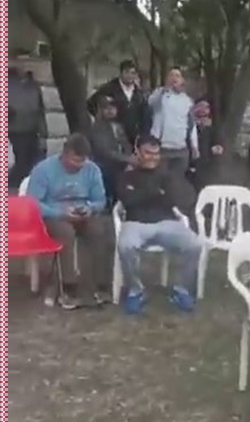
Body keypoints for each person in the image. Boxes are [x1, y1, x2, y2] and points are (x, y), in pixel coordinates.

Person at [116, 135, 203, 315]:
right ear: (137, 152)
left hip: (167, 222)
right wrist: (155, 192)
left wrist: (142, 194)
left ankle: (181, 289)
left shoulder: (167, 176)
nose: (153, 157)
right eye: (148, 153)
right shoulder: (126, 176)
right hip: (135, 223)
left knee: (195, 244)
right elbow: (128, 201)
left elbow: (174, 199)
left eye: (156, 154)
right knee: (125, 246)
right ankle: (136, 290)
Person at [27, 134, 108, 310]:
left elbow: (100, 200)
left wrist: (90, 208)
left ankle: (97, 283)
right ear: (64, 153)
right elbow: (32, 203)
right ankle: (68, 286)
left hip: (82, 211)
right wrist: (60, 213)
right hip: (53, 214)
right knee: (65, 233)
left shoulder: (92, 170)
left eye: (82, 161)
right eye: (74, 160)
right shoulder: (43, 169)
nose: (78, 165)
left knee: (99, 230)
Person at [87, 60, 150, 148]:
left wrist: (143, 134)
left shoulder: (139, 93)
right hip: (114, 136)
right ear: (121, 73)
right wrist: (103, 119)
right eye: (127, 72)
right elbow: (90, 104)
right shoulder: (109, 89)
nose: (130, 76)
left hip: (134, 138)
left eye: (133, 73)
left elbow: (145, 114)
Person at [148, 66, 199, 174]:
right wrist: (164, 89)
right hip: (162, 148)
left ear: (182, 80)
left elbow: (191, 124)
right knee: (161, 178)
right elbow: (151, 103)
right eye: (171, 75)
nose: (174, 78)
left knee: (177, 179)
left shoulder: (187, 100)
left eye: (177, 76)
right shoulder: (161, 95)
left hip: (181, 149)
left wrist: (194, 145)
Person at [88, 95, 135, 204]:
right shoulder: (97, 128)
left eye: (113, 107)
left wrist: (129, 157)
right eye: (106, 108)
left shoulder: (118, 126)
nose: (110, 111)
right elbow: (104, 151)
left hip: (121, 163)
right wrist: (127, 159)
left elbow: (126, 144)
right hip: (105, 164)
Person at [8, 61, 48, 188]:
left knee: (31, 164)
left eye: (27, 62)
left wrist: (43, 134)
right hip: (13, 130)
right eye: (21, 61)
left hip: (32, 130)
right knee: (19, 163)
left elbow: (40, 111)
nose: (24, 65)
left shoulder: (33, 86)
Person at [190, 98, 224, 193]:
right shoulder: (189, 125)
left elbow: (217, 140)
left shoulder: (211, 127)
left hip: (206, 161)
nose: (204, 110)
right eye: (201, 107)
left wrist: (217, 146)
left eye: (206, 108)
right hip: (191, 160)